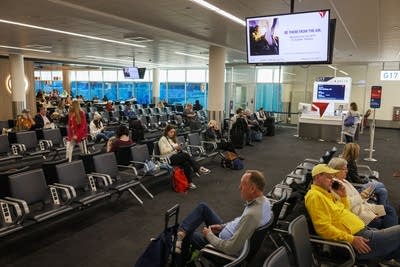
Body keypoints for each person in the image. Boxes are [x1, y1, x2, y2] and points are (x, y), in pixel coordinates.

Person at [305, 164, 400, 265]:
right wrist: (352, 239)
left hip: (363, 231)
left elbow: (344, 212)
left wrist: (343, 196)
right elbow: (323, 228)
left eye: (333, 177)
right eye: (329, 177)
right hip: (357, 239)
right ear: (317, 177)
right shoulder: (315, 196)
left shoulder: (326, 193)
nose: (332, 180)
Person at [175, 170, 271, 259]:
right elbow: (240, 221)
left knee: (189, 234)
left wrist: (209, 235)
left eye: (242, 185)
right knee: (203, 208)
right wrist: (222, 226)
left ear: (253, 188)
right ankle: (182, 233)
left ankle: (180, 257)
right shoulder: (264, 202)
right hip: (228, 232)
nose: (239, 188)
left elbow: (230, 248)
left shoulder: (252, 215)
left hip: (222, 249)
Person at [328, 157, 398, 229]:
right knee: (388, 211)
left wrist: (366, 197)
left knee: (389, 208)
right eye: (344, 169)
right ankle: (390, 234)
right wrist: (372, 213)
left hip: (364, 209)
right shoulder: (335, 185)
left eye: (346, 168)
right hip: (360, 216)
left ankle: (390, 232)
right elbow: (348, 205)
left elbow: (358, 200)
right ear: (335, 171)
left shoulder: (343, 181)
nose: (347, 171)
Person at [158, 125, 210, 189]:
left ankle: (189, 182)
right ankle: (199, 168)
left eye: (173, 132)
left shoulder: (172, 139)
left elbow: (174, 149)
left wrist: (178, 148)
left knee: (186, 163)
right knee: (185, 155)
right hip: (168, 159)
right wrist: (174, 148)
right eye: (171, 132)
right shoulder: (162, 139)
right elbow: (163, 151)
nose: (172, 133)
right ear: (167, 132)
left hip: (175, 156)